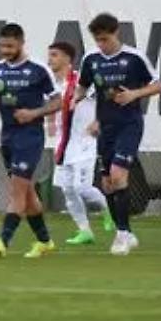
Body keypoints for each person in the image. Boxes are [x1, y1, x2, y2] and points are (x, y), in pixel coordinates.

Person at [0, 23, 60, 259]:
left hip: (30, 137)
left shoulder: (38, 70)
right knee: (28, 194)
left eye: (10, 46)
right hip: (7, 136)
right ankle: (45, 241)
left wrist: (33, 113)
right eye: (2, 46)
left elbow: (57, 102)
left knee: (17, 190)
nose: (5, 50)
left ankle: (3, 240)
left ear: (21, 43)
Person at [75, 13, 161, 256]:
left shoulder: (133, 57)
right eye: (98, 40)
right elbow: (83, 86)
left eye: (105, 39)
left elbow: (158, 85)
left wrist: (134, 95)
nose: (101, 44)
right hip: (105, 128)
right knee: (108, 184)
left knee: (118, 174)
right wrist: (75, 100)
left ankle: (122, 234)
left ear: (116, 33)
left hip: (129, 124)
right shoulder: (91, 59)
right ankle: (126, 233)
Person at [46, 40, 112, 245]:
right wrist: (49, 122)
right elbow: (49, 103)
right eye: (50, 55)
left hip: (84, 141)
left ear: (67, 59)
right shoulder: (52, 84)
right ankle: (85, 231)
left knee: (81, 187)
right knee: (67, 189)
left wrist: (98, 121)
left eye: (55, 55)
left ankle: (109, 210)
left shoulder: (81, 82)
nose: (50, 59)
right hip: (63, 145)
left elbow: (107, 100)